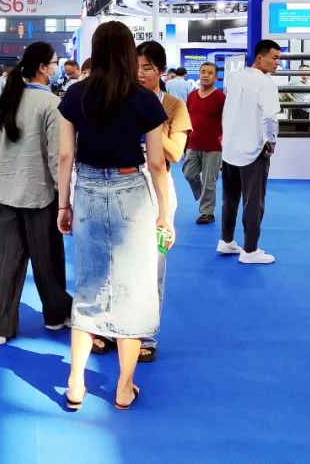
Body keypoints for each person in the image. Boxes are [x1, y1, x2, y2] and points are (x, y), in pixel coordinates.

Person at [57, 21, 172, 411]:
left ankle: (76, 383)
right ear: (127, 52)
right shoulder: (143, 99)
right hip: (132, 194)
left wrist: (63, 204)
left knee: (88, 285)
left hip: (87, 190)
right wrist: (165, 214)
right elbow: (156, 164)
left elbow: (65, 156)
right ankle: (123, 388)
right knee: (134, 290)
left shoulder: (75, 94)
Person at [0, 42, 72, 345]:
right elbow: (57, 156)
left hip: (4, 191)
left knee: (4, 263)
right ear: (43, 68)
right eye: (54, 62)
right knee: (47, 261)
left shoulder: (10, 97)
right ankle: (56, 315)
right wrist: (64, 197)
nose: (57, 67)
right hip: (39, 194)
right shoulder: (50, 103)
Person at [132, 40, 189, 363]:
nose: (140, 74)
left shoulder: (174, 106)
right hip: (124, 183)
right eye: (136, 68)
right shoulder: (123, 100)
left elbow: (176, 154)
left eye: (147, 68)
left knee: (154, 263)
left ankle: (147, 334)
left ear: (162, 71)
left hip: (159, 190)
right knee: (118, 261)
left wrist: (150, 121)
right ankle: (114, 329)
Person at [219, 39, 281, 265]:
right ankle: (250, 250)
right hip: (253, 150)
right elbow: (270, 117)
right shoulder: (266, 83)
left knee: (230, 198)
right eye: (274, 58)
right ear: (260, 58)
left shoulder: (235, 78)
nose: (277, 63)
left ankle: (226, 241)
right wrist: (271, 142)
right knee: (254, 201)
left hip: (229, 148)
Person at [183, 62, 226, 225]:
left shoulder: (221, 98)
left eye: (210, 73)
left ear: (216, 78)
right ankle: (204, 195)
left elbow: (228, 120)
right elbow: (187, 119)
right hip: (193, 143)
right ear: (199, 75)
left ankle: (207, 213)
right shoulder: (192, 96)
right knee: (188, 173)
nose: (206, 75)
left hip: (213, 146)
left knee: (210, 181)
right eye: (203, 72)